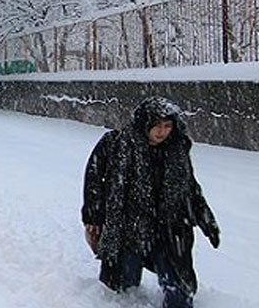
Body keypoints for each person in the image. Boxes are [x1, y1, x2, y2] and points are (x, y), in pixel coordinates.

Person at [81, 96, 220, 308]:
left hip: (170, 228)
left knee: (178, 286)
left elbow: (190, 188)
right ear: (144, 123)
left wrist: (206, 219)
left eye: (167, 126)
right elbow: (94, 179)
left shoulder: (177, 149)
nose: (162, 132)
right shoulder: (117, 143)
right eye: (156, 125)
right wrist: (93, 216)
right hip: (129, 227)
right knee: (123, 288)